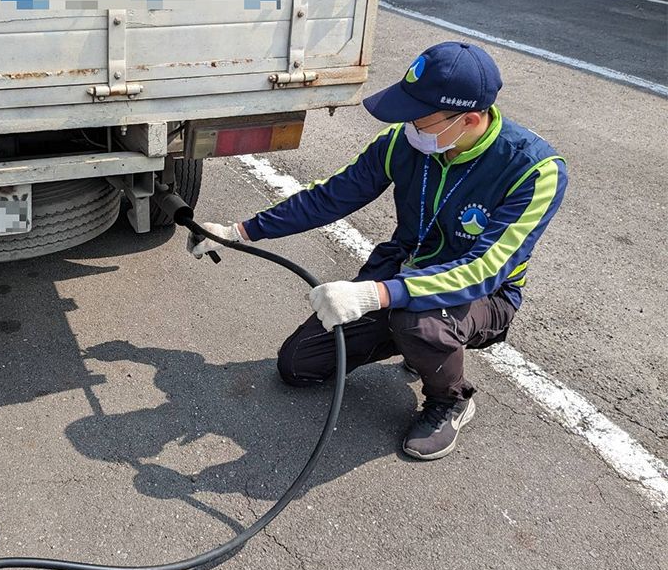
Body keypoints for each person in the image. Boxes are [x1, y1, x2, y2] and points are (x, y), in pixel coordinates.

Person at [187, 41, 568, 460]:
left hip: (482, 294)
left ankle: (450, 399)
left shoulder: (534, 170)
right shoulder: (405, 142)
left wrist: (376, 294)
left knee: (419, 323)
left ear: (469, 119)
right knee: (298, 365)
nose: (408, 125)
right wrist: (238, 232)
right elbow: (330, 197)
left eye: (419, 117)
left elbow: (484, 269)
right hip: (402, 269)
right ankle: (417, 344)